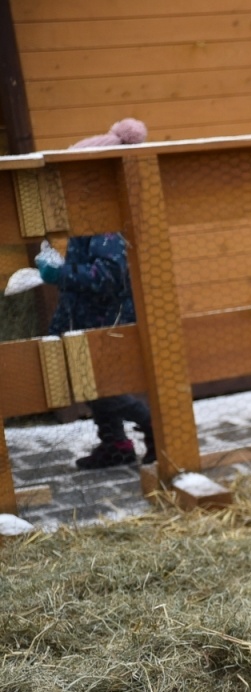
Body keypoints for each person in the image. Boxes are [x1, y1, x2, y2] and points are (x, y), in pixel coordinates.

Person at [37, 118, 154, 469]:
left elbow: (108, 276)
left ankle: (154, 427)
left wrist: (59, 273)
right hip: (88, 317)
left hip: (108, 321)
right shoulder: (89, 218)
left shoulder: (105, 221)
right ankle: (115, 444)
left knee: (107, 388)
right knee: (93, 384)